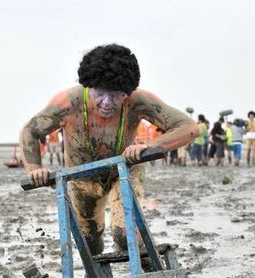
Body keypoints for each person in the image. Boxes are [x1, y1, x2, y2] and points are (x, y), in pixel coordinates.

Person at [20, 44, 199, 255]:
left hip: (123, 172)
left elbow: (189, 128)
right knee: (89, 242)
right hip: (82, 178)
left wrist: (148, 145)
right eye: (100, 94)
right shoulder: (68, 103)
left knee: (125, 236)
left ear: (126, 93)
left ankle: (143, 259)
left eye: (116, 96)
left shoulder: (137, 101)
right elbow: (30, 130)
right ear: (89, 87)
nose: (107, 103)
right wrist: (34, 169)